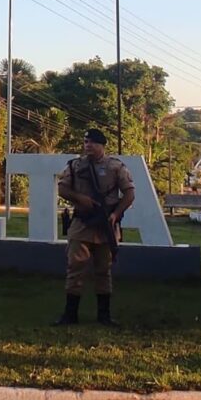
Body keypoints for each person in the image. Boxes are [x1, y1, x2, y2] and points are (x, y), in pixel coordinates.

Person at [52, 128, 135, 326]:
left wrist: (116, 214)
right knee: (75, 268)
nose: (88, 145)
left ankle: (104, 316)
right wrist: (80, 198)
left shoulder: (115, 167)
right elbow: (63, 188)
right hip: (82, 224)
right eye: (86, 141)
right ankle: (70, 315)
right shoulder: (75, 165)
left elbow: (129, 193)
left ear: (102, 145)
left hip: (105, 226)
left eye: (93, 142)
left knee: (103, 270)